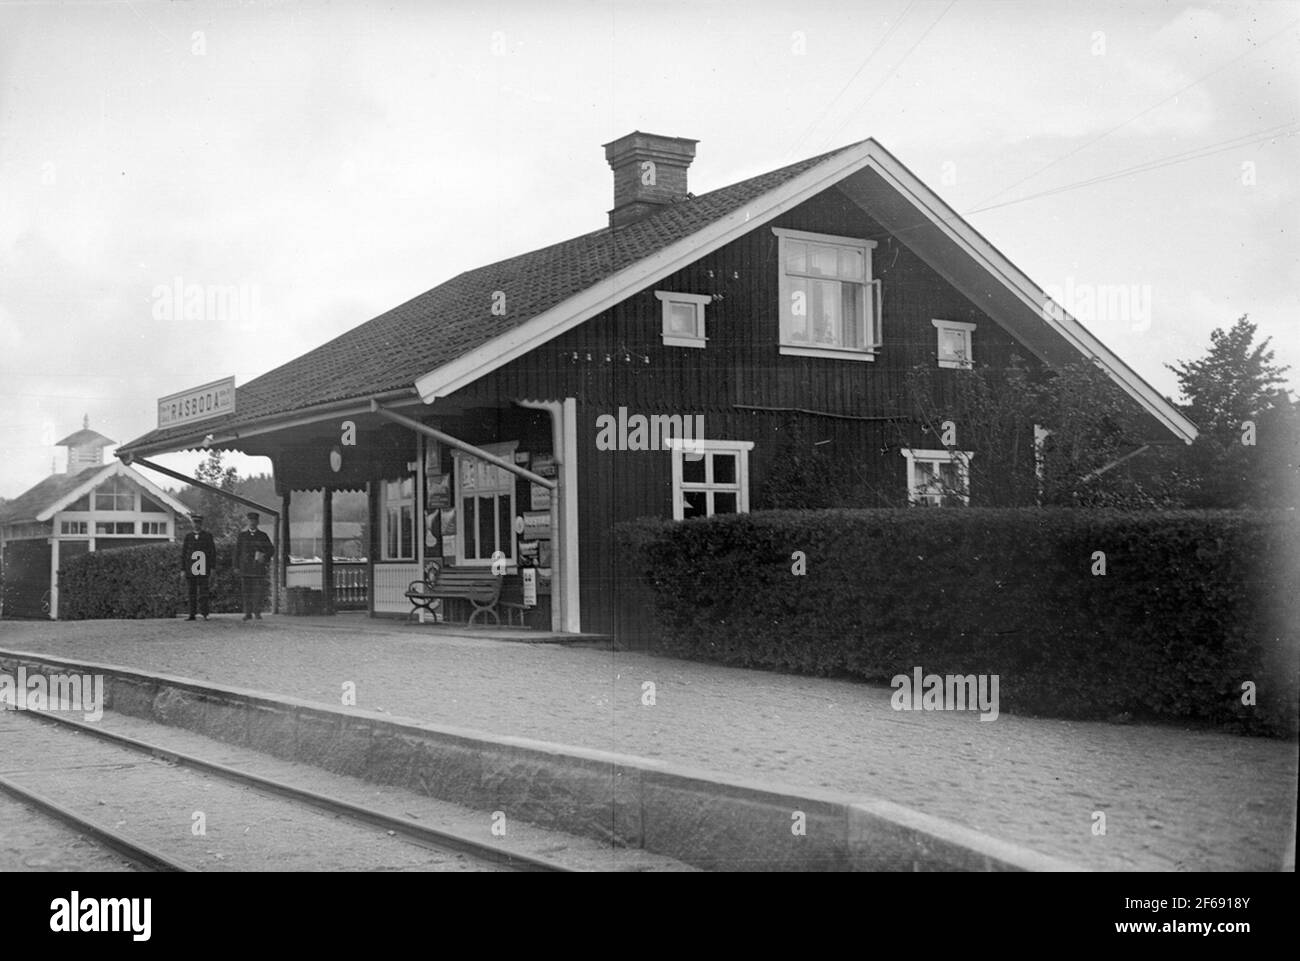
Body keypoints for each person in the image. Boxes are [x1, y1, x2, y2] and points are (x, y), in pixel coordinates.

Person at [235, 511, 275, 620]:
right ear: (248, 522)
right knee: (246, 592)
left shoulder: (263, 536)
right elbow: (237, 552)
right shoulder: (242, 536)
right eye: (250, 520)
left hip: (258, 568)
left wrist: (264, 557)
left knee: (258, 592)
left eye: (254, 521)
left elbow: (271, 550)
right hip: (246, 568)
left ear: (258, 522)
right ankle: (248, 613)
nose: (252, 523)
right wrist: (236, 567)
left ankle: (257, 612)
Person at [180, 513, 216, 621]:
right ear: (192, 524)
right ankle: (192, 614)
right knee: (191, 592)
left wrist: (212, 568)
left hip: (203, 567)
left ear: (201, 524)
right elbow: (184, 553)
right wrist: (183, 569)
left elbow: (212, 552)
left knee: (204, 591)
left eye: (198, 523)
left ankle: (205, 613)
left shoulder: (207, 536)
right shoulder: (188, 537)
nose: (196, 525)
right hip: (191, 568)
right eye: (195, 523)